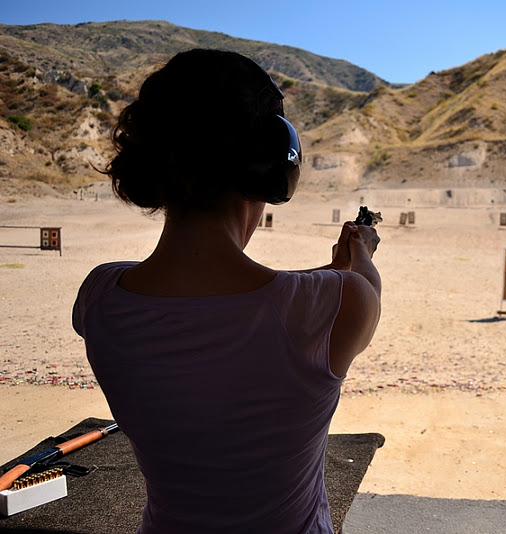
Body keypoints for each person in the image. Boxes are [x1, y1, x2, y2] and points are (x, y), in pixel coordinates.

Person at [72, 49, 381, 534]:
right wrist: (358, 254)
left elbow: (221, 298)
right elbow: (359, 290)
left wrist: (335, 271)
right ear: (269, 164)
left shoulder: (98, 296)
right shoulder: (335, 304)